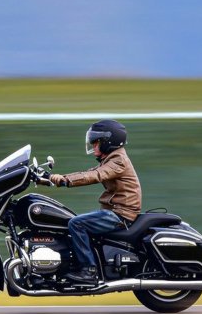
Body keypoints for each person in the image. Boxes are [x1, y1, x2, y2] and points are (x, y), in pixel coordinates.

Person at [49, 119, 142, 285]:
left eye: (96, 142)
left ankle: (89, 271)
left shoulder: (118, 161)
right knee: (72, 220)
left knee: (76, 224)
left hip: (120, 214)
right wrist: (47, 179)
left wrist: (65, 180)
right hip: (114, 211)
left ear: (108, 142)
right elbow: (89, 172)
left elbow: (95, 175)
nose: (93, 146)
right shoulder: (112, 159)